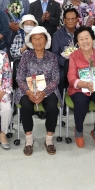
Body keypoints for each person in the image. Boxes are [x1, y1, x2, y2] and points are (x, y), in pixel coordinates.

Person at [15, 26, 61, 156]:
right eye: (34, 39)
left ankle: (49, 140)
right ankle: (29, 141)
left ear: (46, 40)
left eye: (41, 38)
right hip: (28, 90)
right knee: (25, 105)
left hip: (48, 90)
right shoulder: (26, 56)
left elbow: (56, 78)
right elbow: (19, 77)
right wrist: (28, 92)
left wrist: (44, 92)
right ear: (31, 41)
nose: (38, 41)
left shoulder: (52, 57)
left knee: (52, 107)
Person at [67, 26, 95, 149]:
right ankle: (79, 131)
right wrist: (84, 84)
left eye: (87, 38)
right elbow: (71, 77)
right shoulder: (74, 56)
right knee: (81, 102)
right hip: (80, 88)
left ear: (93, 39)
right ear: (77, 42)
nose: (84, 41)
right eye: (81, 39)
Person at [52, 8, 78, 97]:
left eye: (73, 19)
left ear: (77, 20)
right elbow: (55, 54)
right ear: (64, 20)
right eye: (68, 19)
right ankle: (61, 99)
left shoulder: (81, 33)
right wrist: (67, 64)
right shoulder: (57, 35)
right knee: (61, 76)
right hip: (63, 65)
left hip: (80, 64)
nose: (70, 21)